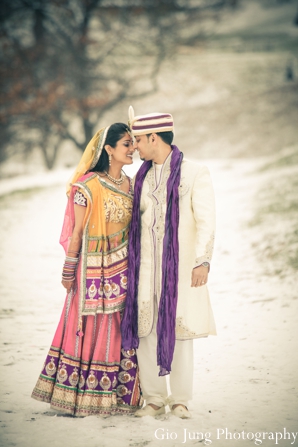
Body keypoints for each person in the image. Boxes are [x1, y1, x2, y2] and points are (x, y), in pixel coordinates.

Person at [32, 123, 142, 417]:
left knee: (120, 329)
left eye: (133, 143)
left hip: (124, 270)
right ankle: (82, 398)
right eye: (126, 144)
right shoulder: (87, 186)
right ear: (108, 149)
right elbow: (78, 233)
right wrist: (68, 270)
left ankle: (117, 398)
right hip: (92, 271)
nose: (133, 148)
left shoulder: (131, 185)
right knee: (90, 327)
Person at [121, 107, 216, 419]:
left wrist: (202, 261)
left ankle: (181, 400)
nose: (134, 146)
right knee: (146, 329)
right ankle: (153, 399)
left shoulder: (194, 172)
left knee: (179, 332)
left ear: (153, 137)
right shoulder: (141, 178)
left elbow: (206, 221)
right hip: (146, 269)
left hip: (181, 268)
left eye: (137, 139)